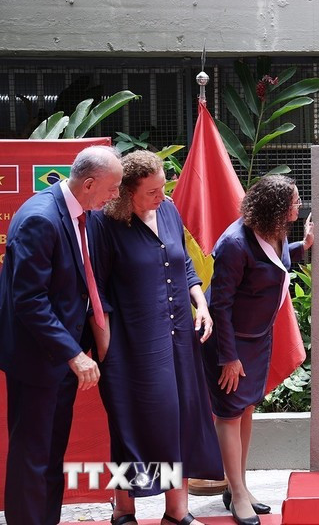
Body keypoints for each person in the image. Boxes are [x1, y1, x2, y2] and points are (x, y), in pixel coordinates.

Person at [89, 150, 223, 525]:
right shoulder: (103, 224)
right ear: (126, 193)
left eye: (163, 187)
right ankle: (124, 509)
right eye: (152, 191)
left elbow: (184, 267)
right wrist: (106, 351)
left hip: (180, 336)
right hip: (131, 344)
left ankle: (176, 512)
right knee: (130, 426)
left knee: (177, 421)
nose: (161, 196)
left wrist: (201, 304)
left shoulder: (167, 210)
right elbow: (95, 293)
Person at [0, 145, 122, 525]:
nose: (115, 195)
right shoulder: (42, 219)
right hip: (39, 361)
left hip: (61, 361)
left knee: (51, 454)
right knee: (32, 457)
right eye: (113, 187)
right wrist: (75, 354)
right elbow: (29, 300)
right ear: (89, 183)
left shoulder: (80, 214)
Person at [202, 175, 313, 525]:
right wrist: (228, 357)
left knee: (245, 409)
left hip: (257, 339)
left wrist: (303, 246)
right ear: (276, 207)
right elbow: (220, 306)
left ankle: (240, 486)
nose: (298, 208)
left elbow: (274, 264)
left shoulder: (274, 231)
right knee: (229, 413)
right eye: (294, 203)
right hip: (230, 343)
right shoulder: (234, 243)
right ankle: (235, 494)